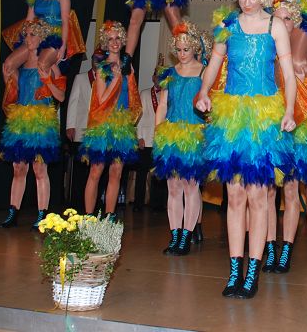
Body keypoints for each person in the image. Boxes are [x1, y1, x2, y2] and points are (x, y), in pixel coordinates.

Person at [196, 0, 296, 299]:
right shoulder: (227, 26)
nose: (247, 1)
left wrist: (290, 110)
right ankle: (234, 269)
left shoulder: (275, 27)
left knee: (258, 195)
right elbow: (213, 64)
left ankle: (253, 270)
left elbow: (288, 75)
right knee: (235, 195)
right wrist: (203, 91)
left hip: (263, 117)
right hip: (232, 115)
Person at [263, 0, 307, 273]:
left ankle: (286, 250)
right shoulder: (266, 49)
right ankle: (268, 248)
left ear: (296, 22)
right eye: (279, 17)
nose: (283, 22)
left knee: (290, 191)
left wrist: (305, 86)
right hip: (269, 128)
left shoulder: (305, 52)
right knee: (266, 192)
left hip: (297, 129)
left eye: (288, 18)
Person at [0, 19, 65, 228]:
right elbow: (16, 87)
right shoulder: (21, 66)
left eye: (32, 35)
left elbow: (61, 96)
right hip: (21, 122)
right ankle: (12, 213)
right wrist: (8, 76)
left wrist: (47, 80)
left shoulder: (51, 66)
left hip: (41, 122)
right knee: (18, 168)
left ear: (42, 38)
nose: (28, 39)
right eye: (26, 35)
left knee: (39, 168)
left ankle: (42, 214)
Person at [152, 21, 210, 255]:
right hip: (172, 134)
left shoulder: (205, 72)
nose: (182, 53)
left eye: (186, 49)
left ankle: (187, 235)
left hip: (194, 134)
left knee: (190, 186)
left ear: (195, 47)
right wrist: (158, 131)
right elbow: (163, 104)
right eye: (178, 50)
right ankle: (175, 235)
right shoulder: (169, 73)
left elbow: (211, 106)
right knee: (173, 187)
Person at [81, 21, 142, 221]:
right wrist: (115, 79)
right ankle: (89, 217)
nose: (114, 42)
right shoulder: (102, 68)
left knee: (116, 172)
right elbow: (101, 99)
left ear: (123, 40)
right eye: (110, 39)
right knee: (96, 171)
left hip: (121, 126)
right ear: (105, 44)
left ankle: (109, 216)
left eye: (117, 38)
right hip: (103, 125)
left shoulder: (128, 67)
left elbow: (132, 98)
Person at [2, 0, 85, 78]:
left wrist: (63, 47)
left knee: (41, 65)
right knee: (8, 65)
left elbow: (65, 21)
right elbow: (29, 20)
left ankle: (52, 85)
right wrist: (26, 39)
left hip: (54, 39)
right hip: (36, 36)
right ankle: (22, 89)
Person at [64, 53, 100, 212]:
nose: (97, 62)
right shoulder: (80, 78)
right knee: (80, 169)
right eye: (95, 59)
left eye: (101, 59)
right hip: (81, 129)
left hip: (98, 132)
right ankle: (77, 204)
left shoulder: (107, 79)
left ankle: (93, 206)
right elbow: (73, 102)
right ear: (91, 60)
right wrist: (70, 126)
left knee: (96, 169)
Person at [133, 67, 160, 213]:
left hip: (160, 141)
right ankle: (138, 203)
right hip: (145, 139)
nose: (159, 78)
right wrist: (139, 137)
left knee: (159, 174)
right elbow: (138, 117)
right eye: (157, 75)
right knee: (142, 173)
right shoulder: (144, 93)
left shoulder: (168, 95)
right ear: (153, 77)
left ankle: (157, 205)